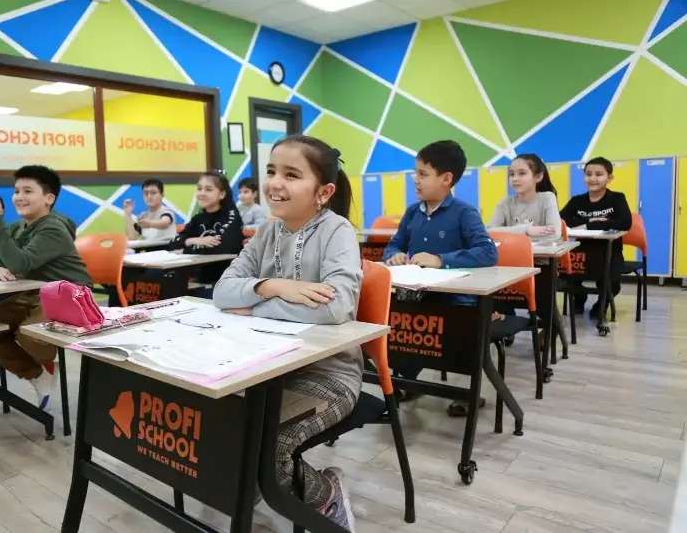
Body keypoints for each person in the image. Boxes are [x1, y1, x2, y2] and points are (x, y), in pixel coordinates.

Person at [213, 135, 361, 532]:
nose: (275, 183)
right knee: (220, 424)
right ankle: (263, 488)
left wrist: (252, 302)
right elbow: (222, 293)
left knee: (272, 447)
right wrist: (271, 287)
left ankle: (326, 497)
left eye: (292, 175)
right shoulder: (265, 233)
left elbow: (337, 306)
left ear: (323, 192)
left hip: (329, 373)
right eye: (272, 171)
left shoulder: (337, 231)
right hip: (263, 368)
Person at [383, 140, 498, 416]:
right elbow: (394, 245)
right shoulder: (413, 212)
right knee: (401, 322)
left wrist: (441, 260)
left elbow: (487, 252)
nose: (416, 180)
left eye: (423, 174)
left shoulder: (464, 213)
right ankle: (407, 380)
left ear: (446, 179)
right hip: (418, 294)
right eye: (416, 173)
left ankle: (469, 395)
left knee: (459, 332)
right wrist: (395, 254)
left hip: (456, 299)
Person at [0, 165, 92, 410]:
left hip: (71, 295)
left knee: (29, 333)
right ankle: (37, 374)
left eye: (28, 190)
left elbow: (19, 262)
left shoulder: (54, 228)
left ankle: (44, 364)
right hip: (34, 293)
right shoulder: (18, 227)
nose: (19, 196)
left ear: (49, 199)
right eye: (16, 190)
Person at [487, 154, 562, 348]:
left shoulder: (546, 198)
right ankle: (507, 321)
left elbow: (553, 234)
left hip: (541, 264)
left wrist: (512, 238)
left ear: (537, 177)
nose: (515, 179)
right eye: (512, 174)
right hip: (512, 266)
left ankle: (548, 328)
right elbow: (489, 232)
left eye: (522, 173)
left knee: (543, 291)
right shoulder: (506, 204)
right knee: (495, 281)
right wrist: (526, 231)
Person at [560, 156, 632, 318]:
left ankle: (601, 303)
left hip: (610, 250)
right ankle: (579, 297)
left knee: (612, 283)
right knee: (566, 276)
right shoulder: (577, 200)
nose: (593, 178)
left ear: (610, 178)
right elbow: (561, 220)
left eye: (599, 174)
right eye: (588, 174)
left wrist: (587, 225)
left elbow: (624, 222)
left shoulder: (617, 198)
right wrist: (591, 220)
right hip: (581, 250)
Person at [170, 170, 244, 291]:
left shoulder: (231, 215)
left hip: (227, 280)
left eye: (208, 189)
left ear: (222, 194)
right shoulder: (199, 217)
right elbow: (174, 242)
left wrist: (186, 247)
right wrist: (194, 240)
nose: (202, 193)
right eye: (199, 188)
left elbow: (220, 247)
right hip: (200, 278)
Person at [122, 179, 176, 244]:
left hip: (166, 250)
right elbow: (132, 237)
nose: (149, 196)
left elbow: (164, 223)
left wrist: (149, 224)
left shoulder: (167, 211)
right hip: (148, 251)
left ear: (162, 195)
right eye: (146, 193)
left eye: (153, 193)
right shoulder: (143, 215)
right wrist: (128, 214)